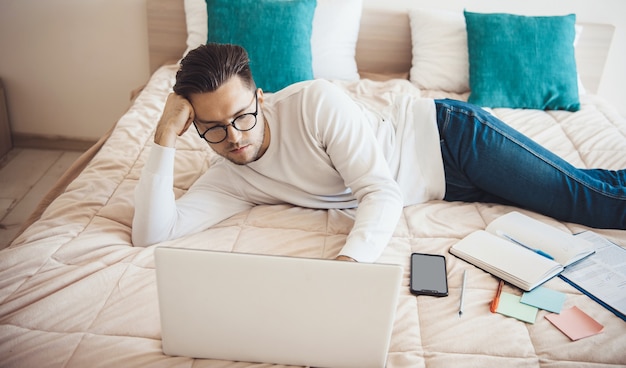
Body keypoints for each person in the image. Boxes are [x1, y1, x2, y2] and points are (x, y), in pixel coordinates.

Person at [132, 43, 626, 263]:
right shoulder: (228, 176)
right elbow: (153, 233)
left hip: (452, 137)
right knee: (585, 185)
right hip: (445, 188)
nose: (235, 138)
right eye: (213, 129)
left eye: (242, 116)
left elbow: (380, 192)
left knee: (587, 201)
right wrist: (163, 138)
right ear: (193, 124)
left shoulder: (313, 102)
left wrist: (351, 265)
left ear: (261, 98)